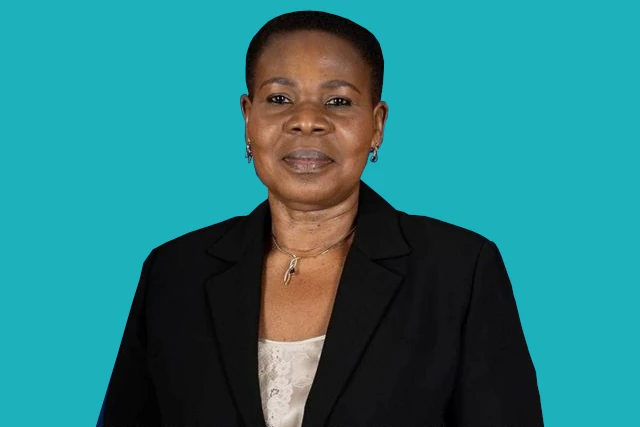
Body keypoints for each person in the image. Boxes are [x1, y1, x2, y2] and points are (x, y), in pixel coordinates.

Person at [101, 10, 544, 427]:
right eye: (279, 98)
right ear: (248, 118)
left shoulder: (458, 272)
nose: (307, 121)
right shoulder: (174, 272)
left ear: (377, 125)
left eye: (338, 101)